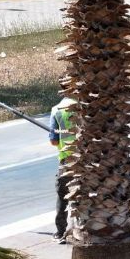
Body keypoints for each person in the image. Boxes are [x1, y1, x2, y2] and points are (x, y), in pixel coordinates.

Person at [49, 96, 76, 244]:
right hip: (88, 160)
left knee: (63, 196)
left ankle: (61, 232)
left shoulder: (57, 110)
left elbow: (53, 140)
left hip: (67, 161)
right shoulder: (86, 106)